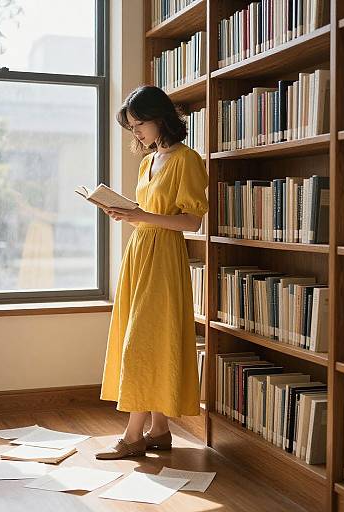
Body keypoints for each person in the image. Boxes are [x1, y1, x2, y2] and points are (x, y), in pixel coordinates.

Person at [95, 85, 208, 460]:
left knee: (143, 342)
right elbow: (149, 214)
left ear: (161, 118)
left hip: (163, 259)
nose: (136, 133)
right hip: (140, 252)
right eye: (131, 127)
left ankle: (133, 436)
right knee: (146, 337)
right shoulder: (147, 162)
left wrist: (140, 215)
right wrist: (126, 214)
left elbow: (191, 221)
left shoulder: (186, 160)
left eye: (139, 123)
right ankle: (158, 430)